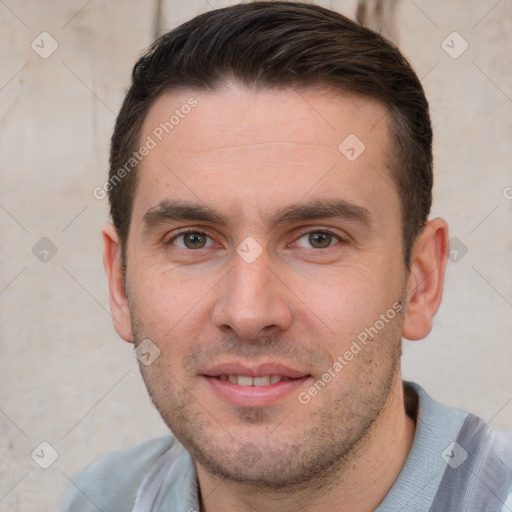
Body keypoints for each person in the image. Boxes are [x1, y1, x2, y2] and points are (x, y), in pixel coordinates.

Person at [60, 2, 512, 511]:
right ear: (119, 284)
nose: (249, 313)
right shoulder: (100, 498)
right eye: (192, 239)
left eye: (319, 238)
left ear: (420, 280)